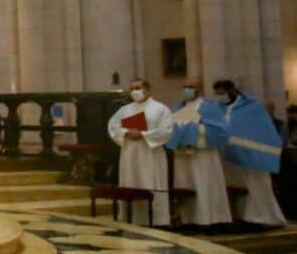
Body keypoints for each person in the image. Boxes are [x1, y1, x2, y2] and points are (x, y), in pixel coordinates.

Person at [211, 79, 287, 227]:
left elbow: (260, 131)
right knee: (232, 186)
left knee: (256, 186)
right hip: (229, 157)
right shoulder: (218, 108)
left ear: (231, 91)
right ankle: (238, 215)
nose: (220, 97)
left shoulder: (252, 107)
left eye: (222, 93)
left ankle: (263, 216)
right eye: (217, 94)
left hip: (253, 156)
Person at [108, 79, 175, 227]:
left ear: (147, 89)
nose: (134, 91)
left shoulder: (160, 108)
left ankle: (157, 220)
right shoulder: (124, 110)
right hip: (129, 152)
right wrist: (126, 132)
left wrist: (144, 135)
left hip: (151, 153)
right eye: (132, 88)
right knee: (131, 181)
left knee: (151, 182)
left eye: (137, 88)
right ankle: (130, 218)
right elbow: (112, 126)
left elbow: (166, 130)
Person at [166, 82, 231, 227]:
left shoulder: (209, 107)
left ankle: (209, 219)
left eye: (190, 87)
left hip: (203, 155)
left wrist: (189, 130)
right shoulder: (177, 108)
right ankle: (187, 219)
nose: (186, 90)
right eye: (184, 87)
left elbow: (220, 132)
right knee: (185, 185)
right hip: (182, 155)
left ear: (199, 89)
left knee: (203, 184)